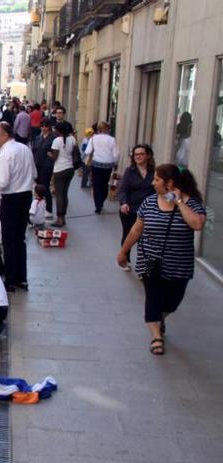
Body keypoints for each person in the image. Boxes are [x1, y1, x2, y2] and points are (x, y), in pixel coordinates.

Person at [117, 164, 206, 355]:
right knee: (153, 298)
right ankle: (156, 337)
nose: (153, 182)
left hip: (179, 264)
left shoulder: (192, 203)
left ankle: (160, 317)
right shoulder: (149, 203)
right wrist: (123, 251)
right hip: (150, 262)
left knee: (173, 301)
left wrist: (179, 201)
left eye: (157, 179)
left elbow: (197, 224)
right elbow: (136, 229)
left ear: (170, 183)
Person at [0, 122, 36, 291]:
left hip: (12, 198)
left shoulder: (5, 154)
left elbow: (3, 181)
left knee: (9, 239)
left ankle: (11, 279)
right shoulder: (25, 149)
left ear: (6, 135)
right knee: (19, 239)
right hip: (26, 196)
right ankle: (21, 278)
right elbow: (34, 174)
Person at [117, 145, 156, 270]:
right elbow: (122, 190)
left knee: (144, 240)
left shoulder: (154, 171)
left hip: (148, 211)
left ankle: (142, 266)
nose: (138, 156)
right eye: (136, 154)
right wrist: (123, 203)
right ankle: (125, 259)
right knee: (128, 234)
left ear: (148, 155)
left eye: (141, 154)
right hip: (130, 209)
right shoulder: (130, 171)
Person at [85, 121, 120, 214]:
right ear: (108, 129)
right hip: (108, 165)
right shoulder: (112, 139)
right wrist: (115, 162)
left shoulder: (93, 138)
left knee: (96, 184)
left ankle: (98, 204)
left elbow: (87, 151)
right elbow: (116, 154)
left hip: (96, 164)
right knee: (104, 183)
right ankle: (102, 199)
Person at [49, 121, 77, 228]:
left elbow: (54, 157)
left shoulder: (57, 141)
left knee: (59, 195)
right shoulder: (72, 139)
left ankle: (59, 219)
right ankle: (63, 217)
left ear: (59, 130)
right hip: (70, 169)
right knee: (65, 194)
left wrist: (49, 154)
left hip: (59, 169)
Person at [31, 118, 55, 220]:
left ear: (49, 127)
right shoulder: (38, 138)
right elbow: (34, 150)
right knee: (38, 186)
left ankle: (49, 209)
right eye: (42, 125)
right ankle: (40, 207)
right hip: (37, 163)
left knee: (45, 186)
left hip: (46, 165)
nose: (44, 127)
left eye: (46, 125)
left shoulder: (52, 138)